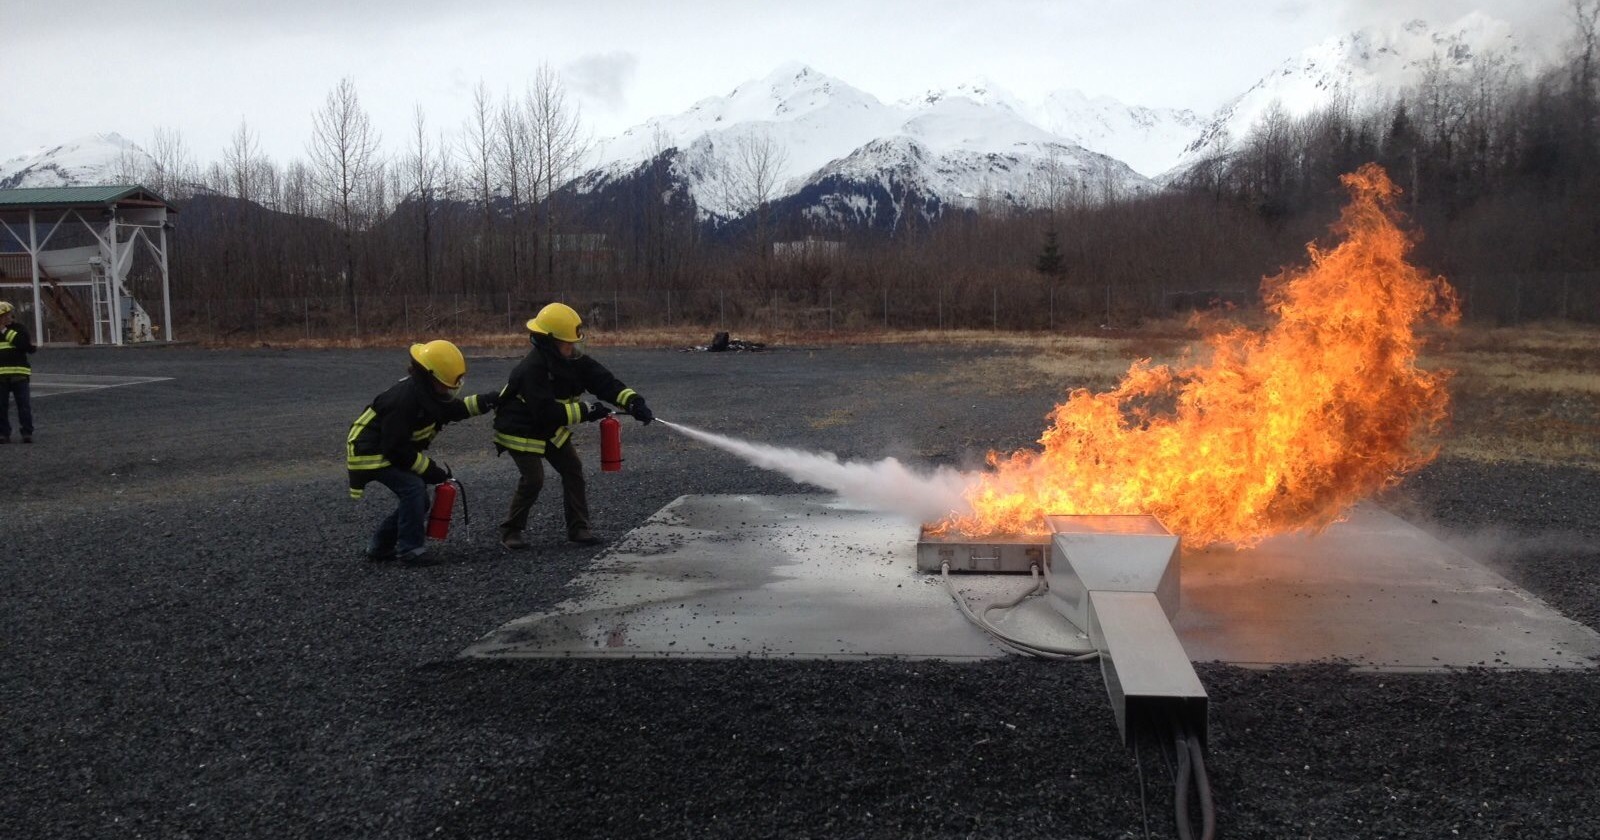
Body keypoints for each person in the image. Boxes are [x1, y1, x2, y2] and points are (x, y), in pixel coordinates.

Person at [493, 302, 654, 549]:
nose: (574, 347)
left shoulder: (573, 361)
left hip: (549, 428)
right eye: (568, 343)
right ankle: (511, 531)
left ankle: (578, 529)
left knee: (572, 469)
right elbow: (546, 411)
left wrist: (632, 401)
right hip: (521, 429)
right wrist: (586, 411)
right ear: (549, 342)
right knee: (533, 479)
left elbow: (604, 382)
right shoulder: (531, 369)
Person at [346, 340, 499, 563]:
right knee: (414, 488)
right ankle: (410, 550)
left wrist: (490, 400)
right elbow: (396, 450)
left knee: (418, 499)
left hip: (382, 449)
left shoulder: (426, 393)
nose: (450, 388)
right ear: (431, 377)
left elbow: (454, 409)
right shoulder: (404, 400)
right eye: (446, 383)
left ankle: (379, 546)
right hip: (368, 453)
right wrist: (431, 471)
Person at [0, 301, 37, 444]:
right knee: (1, 407)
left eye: (6, 315)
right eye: (3, 316)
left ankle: (27, 432)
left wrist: (4, 331)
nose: (6, 318)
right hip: (1, 377)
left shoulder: (19, 329)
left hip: (19, 375)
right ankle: (3, 434)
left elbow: (23, 345)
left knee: (23, 406)